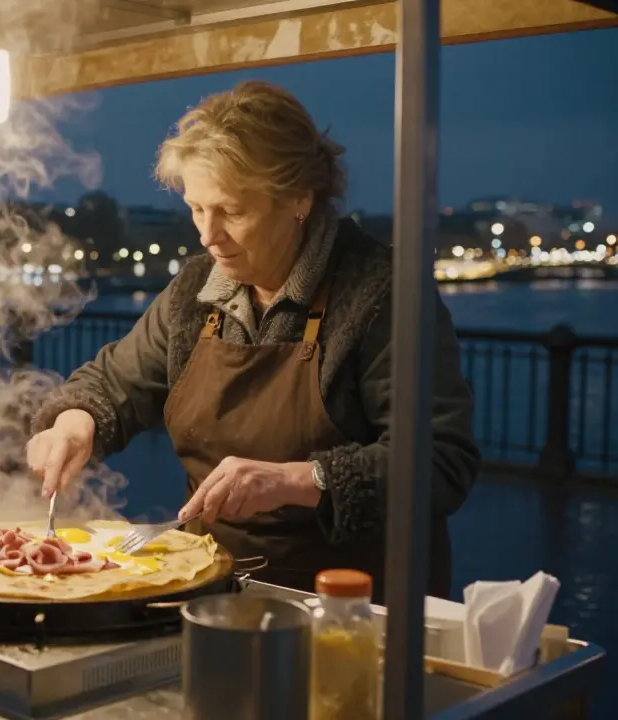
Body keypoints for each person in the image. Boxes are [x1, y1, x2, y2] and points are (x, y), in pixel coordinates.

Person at [26, 81, 479, 601]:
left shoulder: (384, 295)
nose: (207, 234)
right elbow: (111, 382)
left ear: (299, 199)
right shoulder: (195, 291)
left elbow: (440, 463)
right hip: (210, 594)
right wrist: (75, 422)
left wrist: (295, 480)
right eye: (197, 208)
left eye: (232, 212)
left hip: (353, 609)